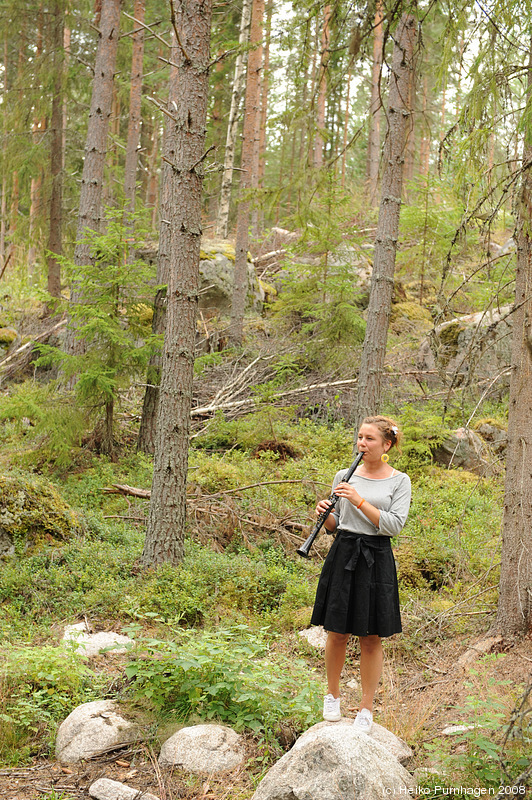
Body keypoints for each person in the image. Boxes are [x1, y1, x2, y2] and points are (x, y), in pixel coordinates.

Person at [310, 415, 411, 733]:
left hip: (376, 558)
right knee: (336, 631)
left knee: (370, 637)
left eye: (369, 439)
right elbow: (335, 525)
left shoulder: (399, 481)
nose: (362, 444)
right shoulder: (344, 474)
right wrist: (324, 516)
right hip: (344, 552)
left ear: (387, 444)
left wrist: (360, 500)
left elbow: (393, 524)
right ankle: (332, 696)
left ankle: (366, 707)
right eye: (360, 437)